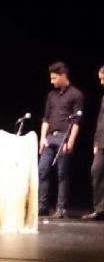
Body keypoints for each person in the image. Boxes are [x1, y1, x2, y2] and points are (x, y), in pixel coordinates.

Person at [38, 61, 84, 219]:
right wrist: (42, 138)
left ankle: (61, 208)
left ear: (63, 76)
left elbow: (76, 121)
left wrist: (70, 141)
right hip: (50, 137)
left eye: (54, 78)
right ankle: (42, 205)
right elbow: (46, 118)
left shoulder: (76, 95)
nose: (52, 81)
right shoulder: (51, 95)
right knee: (42, 170)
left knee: (62, 173)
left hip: (64, 137)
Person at [83, 65, 104, 220]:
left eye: (103, 78)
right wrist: (96, 142)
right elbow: (100, 121)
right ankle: (100, 209)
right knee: (96, 170)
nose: (101, 82)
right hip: (102, 143)